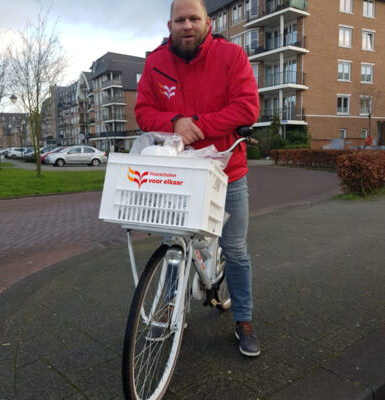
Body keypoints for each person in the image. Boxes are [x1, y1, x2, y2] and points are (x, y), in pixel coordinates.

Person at [135, 0, 260, 357]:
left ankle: (244, 319)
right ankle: (173, 311)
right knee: (175, 247)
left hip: (227, 171)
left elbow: (246, 107)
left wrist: (199, 126)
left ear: (208, 21)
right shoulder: (155, 63)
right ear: (170, 24)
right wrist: (174, 121)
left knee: (235, 250)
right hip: (178, 174)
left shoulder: (231, 56)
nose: (186, 25)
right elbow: (143, 111)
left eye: (194, 18)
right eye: (180, 20)